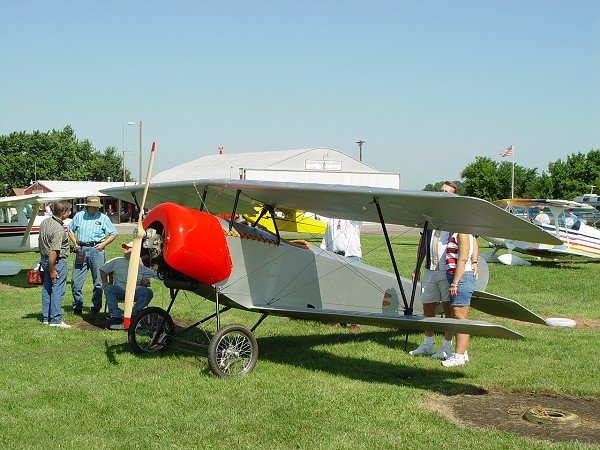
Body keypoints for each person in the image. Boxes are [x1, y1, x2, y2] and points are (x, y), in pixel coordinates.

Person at [409, 181, 479, 360]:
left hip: (448, 270)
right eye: (441, 191)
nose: (443, 194)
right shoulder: (430, 216)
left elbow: (473, 239)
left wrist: (475, 261)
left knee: (449, 308)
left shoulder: (456, 219)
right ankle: (428, 343)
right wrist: (417, 267)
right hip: (429, 268)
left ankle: (447, 347)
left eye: (447, 193)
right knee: (427, 306)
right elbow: (423, 243)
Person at [68, 195, 117, 315]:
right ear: (88, 206)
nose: (96, 209)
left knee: (99, 281)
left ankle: (96, 307)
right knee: (76, 280)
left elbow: (114, 233)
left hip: (97, 250)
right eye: (93, 207)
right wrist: (75, 244)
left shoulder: (103, 218)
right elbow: (70, 230)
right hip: (82, 249)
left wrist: (103, 244)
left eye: (97, 207)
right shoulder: (79, 216)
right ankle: (77, 305)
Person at [320, 218, 363, 332]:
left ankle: (355, 322)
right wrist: (322, 252)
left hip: (351, 255)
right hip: (334, 255)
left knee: (352, 290)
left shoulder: (353, 218)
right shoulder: (331, 219)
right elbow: (327, 238)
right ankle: (338, 319)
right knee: (336, 289)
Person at [441, 231, 477, 367]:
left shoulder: (462, 233)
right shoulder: (463, 233)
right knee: (457, 315)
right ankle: (463, 352)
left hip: (462, 277)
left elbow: (462, 258)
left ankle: (459, 356)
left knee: (460, 316)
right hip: (458, 276)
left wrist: (455, 282)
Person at [100, 242, 158, 324]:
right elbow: (103, 269)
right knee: (109, 289)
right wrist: (105, 282)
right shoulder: (117, 261)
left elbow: (149, 279)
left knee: (148, 292)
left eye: (128, 248)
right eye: (125, 248)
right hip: (119, 289)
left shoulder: (141, 264)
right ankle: (116, 315)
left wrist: (146, 282)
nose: (125, 250)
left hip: (136, 290)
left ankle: (134, 314)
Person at [38, 201, 72, 328]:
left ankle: (46, 317)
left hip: (44, 259)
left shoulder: (45, 222)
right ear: (63, 213)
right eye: (68, 211)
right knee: (57, 290)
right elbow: (54, 251)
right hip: (55, 262)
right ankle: (56, 320)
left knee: (47, 289)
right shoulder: (58, 229)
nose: (70, 213)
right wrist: (53, 270)